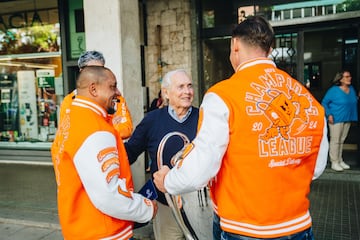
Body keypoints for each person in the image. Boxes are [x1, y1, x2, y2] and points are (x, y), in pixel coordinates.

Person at [154, 16, 329, 240]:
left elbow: (200, 171)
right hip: (298, 226)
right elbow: (316, 168)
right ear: (270, 48)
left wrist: (168, 181)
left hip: (244, 228)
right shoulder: (307, 98)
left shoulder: (223, 95)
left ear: (235, 45)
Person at [51, 66, 157, 240]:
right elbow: (108, 196)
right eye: (112, 86)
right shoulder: (94, 127)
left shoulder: (71, 119)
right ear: (93, 89)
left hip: (81, 227)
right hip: (103, 231)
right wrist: (146, 208)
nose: (117, 92)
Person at [125, 69, 199, 240]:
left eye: (189, 86)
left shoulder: (202, 117)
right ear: (166, 92)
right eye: (180, 87)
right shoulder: (152, 120)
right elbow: (130, 151)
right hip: (166, 205)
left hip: (197, 205)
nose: (187, 92)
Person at [58, 50, 133, 139]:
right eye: (94, 69)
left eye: (102, 69)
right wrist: (110, 124)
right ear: (82, 71)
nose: (99, 74)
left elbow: (126, 130)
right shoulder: (69, 101)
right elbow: (67, 135)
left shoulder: (115, 98)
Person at [321, 70, 358, 171]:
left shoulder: (351, 89)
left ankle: (340, 160)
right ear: (340, 79)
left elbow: (353, 100)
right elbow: (324, 102)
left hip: (348, 117)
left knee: (342, 141)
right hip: (336, 118)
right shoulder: (333, 90)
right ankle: (334, 162)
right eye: (346, 77)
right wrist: (329, 115)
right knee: (335, 141)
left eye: (349, 76)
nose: (349, 78)